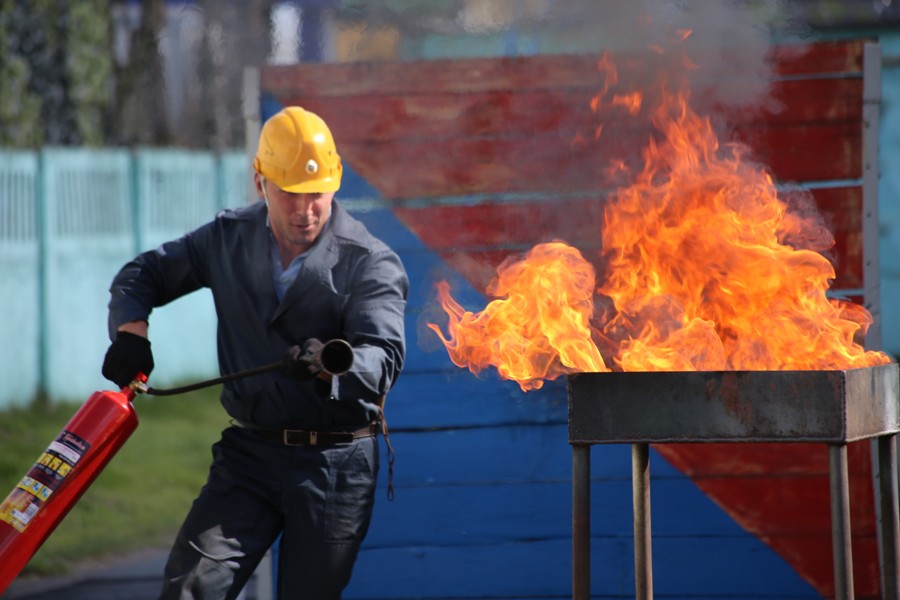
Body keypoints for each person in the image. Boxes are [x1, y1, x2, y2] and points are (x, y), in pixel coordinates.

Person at [100, 105, 409, 599]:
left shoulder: (370, 262)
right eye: (290, 193)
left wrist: (330, 362)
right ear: (260, 181)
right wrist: (131, 334)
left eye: (317, 194)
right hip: (251, 454)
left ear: (335, 184)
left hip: (335, 464)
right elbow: (143, 274)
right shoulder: (227, 238)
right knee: (189, 590)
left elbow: (383, 357)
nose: (305, 209)